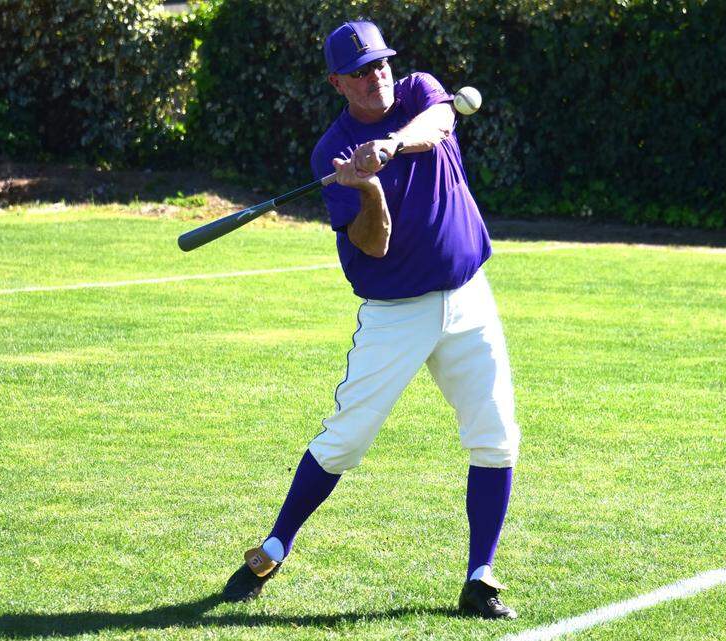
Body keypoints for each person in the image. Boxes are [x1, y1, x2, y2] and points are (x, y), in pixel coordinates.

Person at [220, 20, 521, 620]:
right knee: (345, 438)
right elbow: (373, 245)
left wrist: (388, 146)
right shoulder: (330, 154)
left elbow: (439, 125)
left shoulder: (418, 93)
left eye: (379, 63)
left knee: (495, 435)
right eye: (359, 71)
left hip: (468, 296)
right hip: (395, 312)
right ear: (338, 83)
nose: (374, 75)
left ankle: (480, 577)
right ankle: (275, 546)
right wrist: (368, 190)